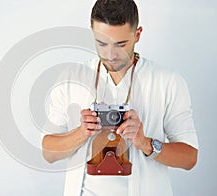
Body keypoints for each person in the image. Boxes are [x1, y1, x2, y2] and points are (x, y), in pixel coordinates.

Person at [42, 0, 198, 195]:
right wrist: (82, 132)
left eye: (121, 44)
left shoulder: (168, 81)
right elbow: (48, 153)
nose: (110, 55)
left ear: (138, 34)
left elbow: (189, 158)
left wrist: (145, 143)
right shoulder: (71, 78)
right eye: (101, 43)